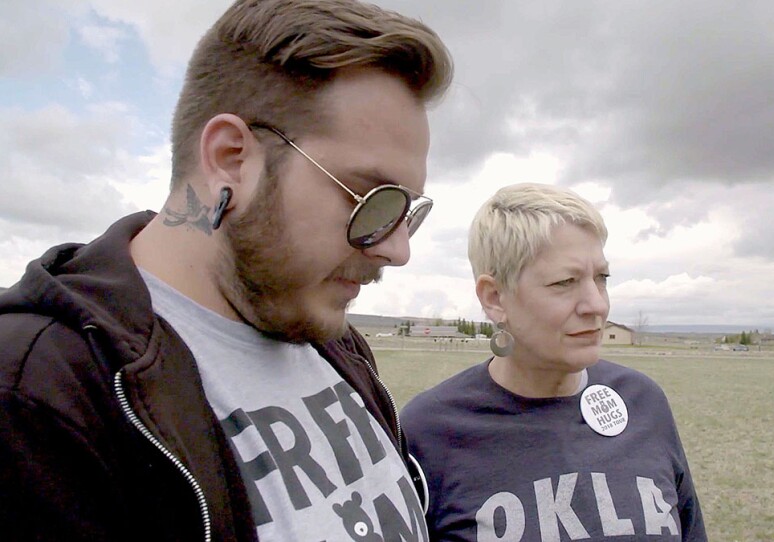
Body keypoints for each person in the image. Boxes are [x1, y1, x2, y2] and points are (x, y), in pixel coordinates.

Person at [0, 1, 452, 540]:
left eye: (408, 212)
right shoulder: (39, 399)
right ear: (231, 158)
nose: (397, 250)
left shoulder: (332, 339)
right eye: (375, 200)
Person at [401, 183, 706, 541]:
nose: (597, 305)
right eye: (565, 282)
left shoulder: (643, 402)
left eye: (601, 278)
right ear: (495, 297)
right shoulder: (429, 431)